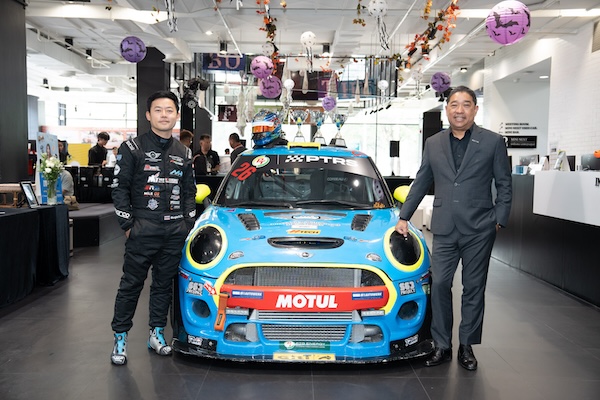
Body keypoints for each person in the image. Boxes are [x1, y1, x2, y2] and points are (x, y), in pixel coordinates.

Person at [395, 86, 512, 371]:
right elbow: (422, 180)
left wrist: (499, 219)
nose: (460, 110)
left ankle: (467, 346)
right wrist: (404, 216)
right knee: (439, 284)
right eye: (454, 104)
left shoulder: (493, 141)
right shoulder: (433, 143)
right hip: (445, 226)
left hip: (480, 227)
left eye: (466, 104)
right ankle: (442, 345)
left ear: (475, 109)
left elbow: (504, 183)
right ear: (447, 109)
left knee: (473, 287)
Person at [110, 90, 197, 366]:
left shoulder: (184, 152)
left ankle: (156, 334)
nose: (164, 115)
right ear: (148, 115)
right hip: (142, 230)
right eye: (158, 110)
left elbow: (189, 191)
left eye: (169, 110)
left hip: (174, 232)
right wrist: (128, 225)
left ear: (176, 115)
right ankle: (120, 338)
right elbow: (119, 188)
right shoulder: (132, 148)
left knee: (163, 285)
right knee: (131, 285)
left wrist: (187, 224)